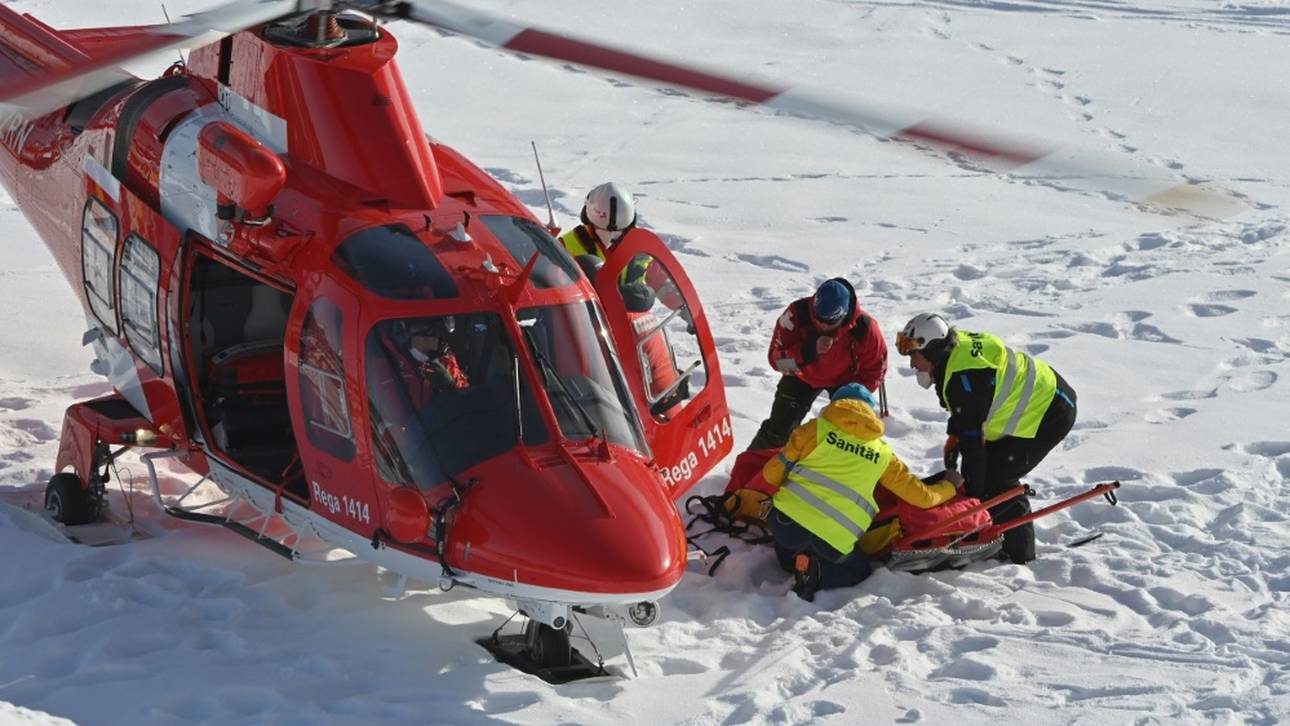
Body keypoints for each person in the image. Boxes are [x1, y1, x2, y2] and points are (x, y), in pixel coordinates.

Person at [726, 384, 962, 600]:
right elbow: (921, 498)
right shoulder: (883, 455)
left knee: (789, 553)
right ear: (871, 414)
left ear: (834, 405)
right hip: (833, 538)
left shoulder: (815, 430)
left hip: (785, 523)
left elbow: (770, 475)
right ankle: (816, 576)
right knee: (858, 571)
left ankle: (797, 563)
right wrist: (949, 485)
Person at [895, 313, 1077, 565]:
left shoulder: (964, 378)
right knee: (980, 475)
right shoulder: (954, 356)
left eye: (913, 353)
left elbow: (974, 446)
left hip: (1051, 412)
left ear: (934, 350)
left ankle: (1019, 555)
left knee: (998, 478)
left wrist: (975, 498)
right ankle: (991, 528)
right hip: (1041, 396)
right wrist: (955, 436)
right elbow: (969, 411)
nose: (911, 363)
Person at [745, 278, 887, 452]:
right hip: (801, 375)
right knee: (777, 432)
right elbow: (776, 361)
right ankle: (748, 470)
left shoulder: (865, 329)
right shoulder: (796, 314)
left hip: (845, 381)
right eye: (818, 320)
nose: (823, 326)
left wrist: (856, 395)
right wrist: (808, 351)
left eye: (830, 323)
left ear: (844, 315)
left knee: (846, 437)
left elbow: (875, 371)